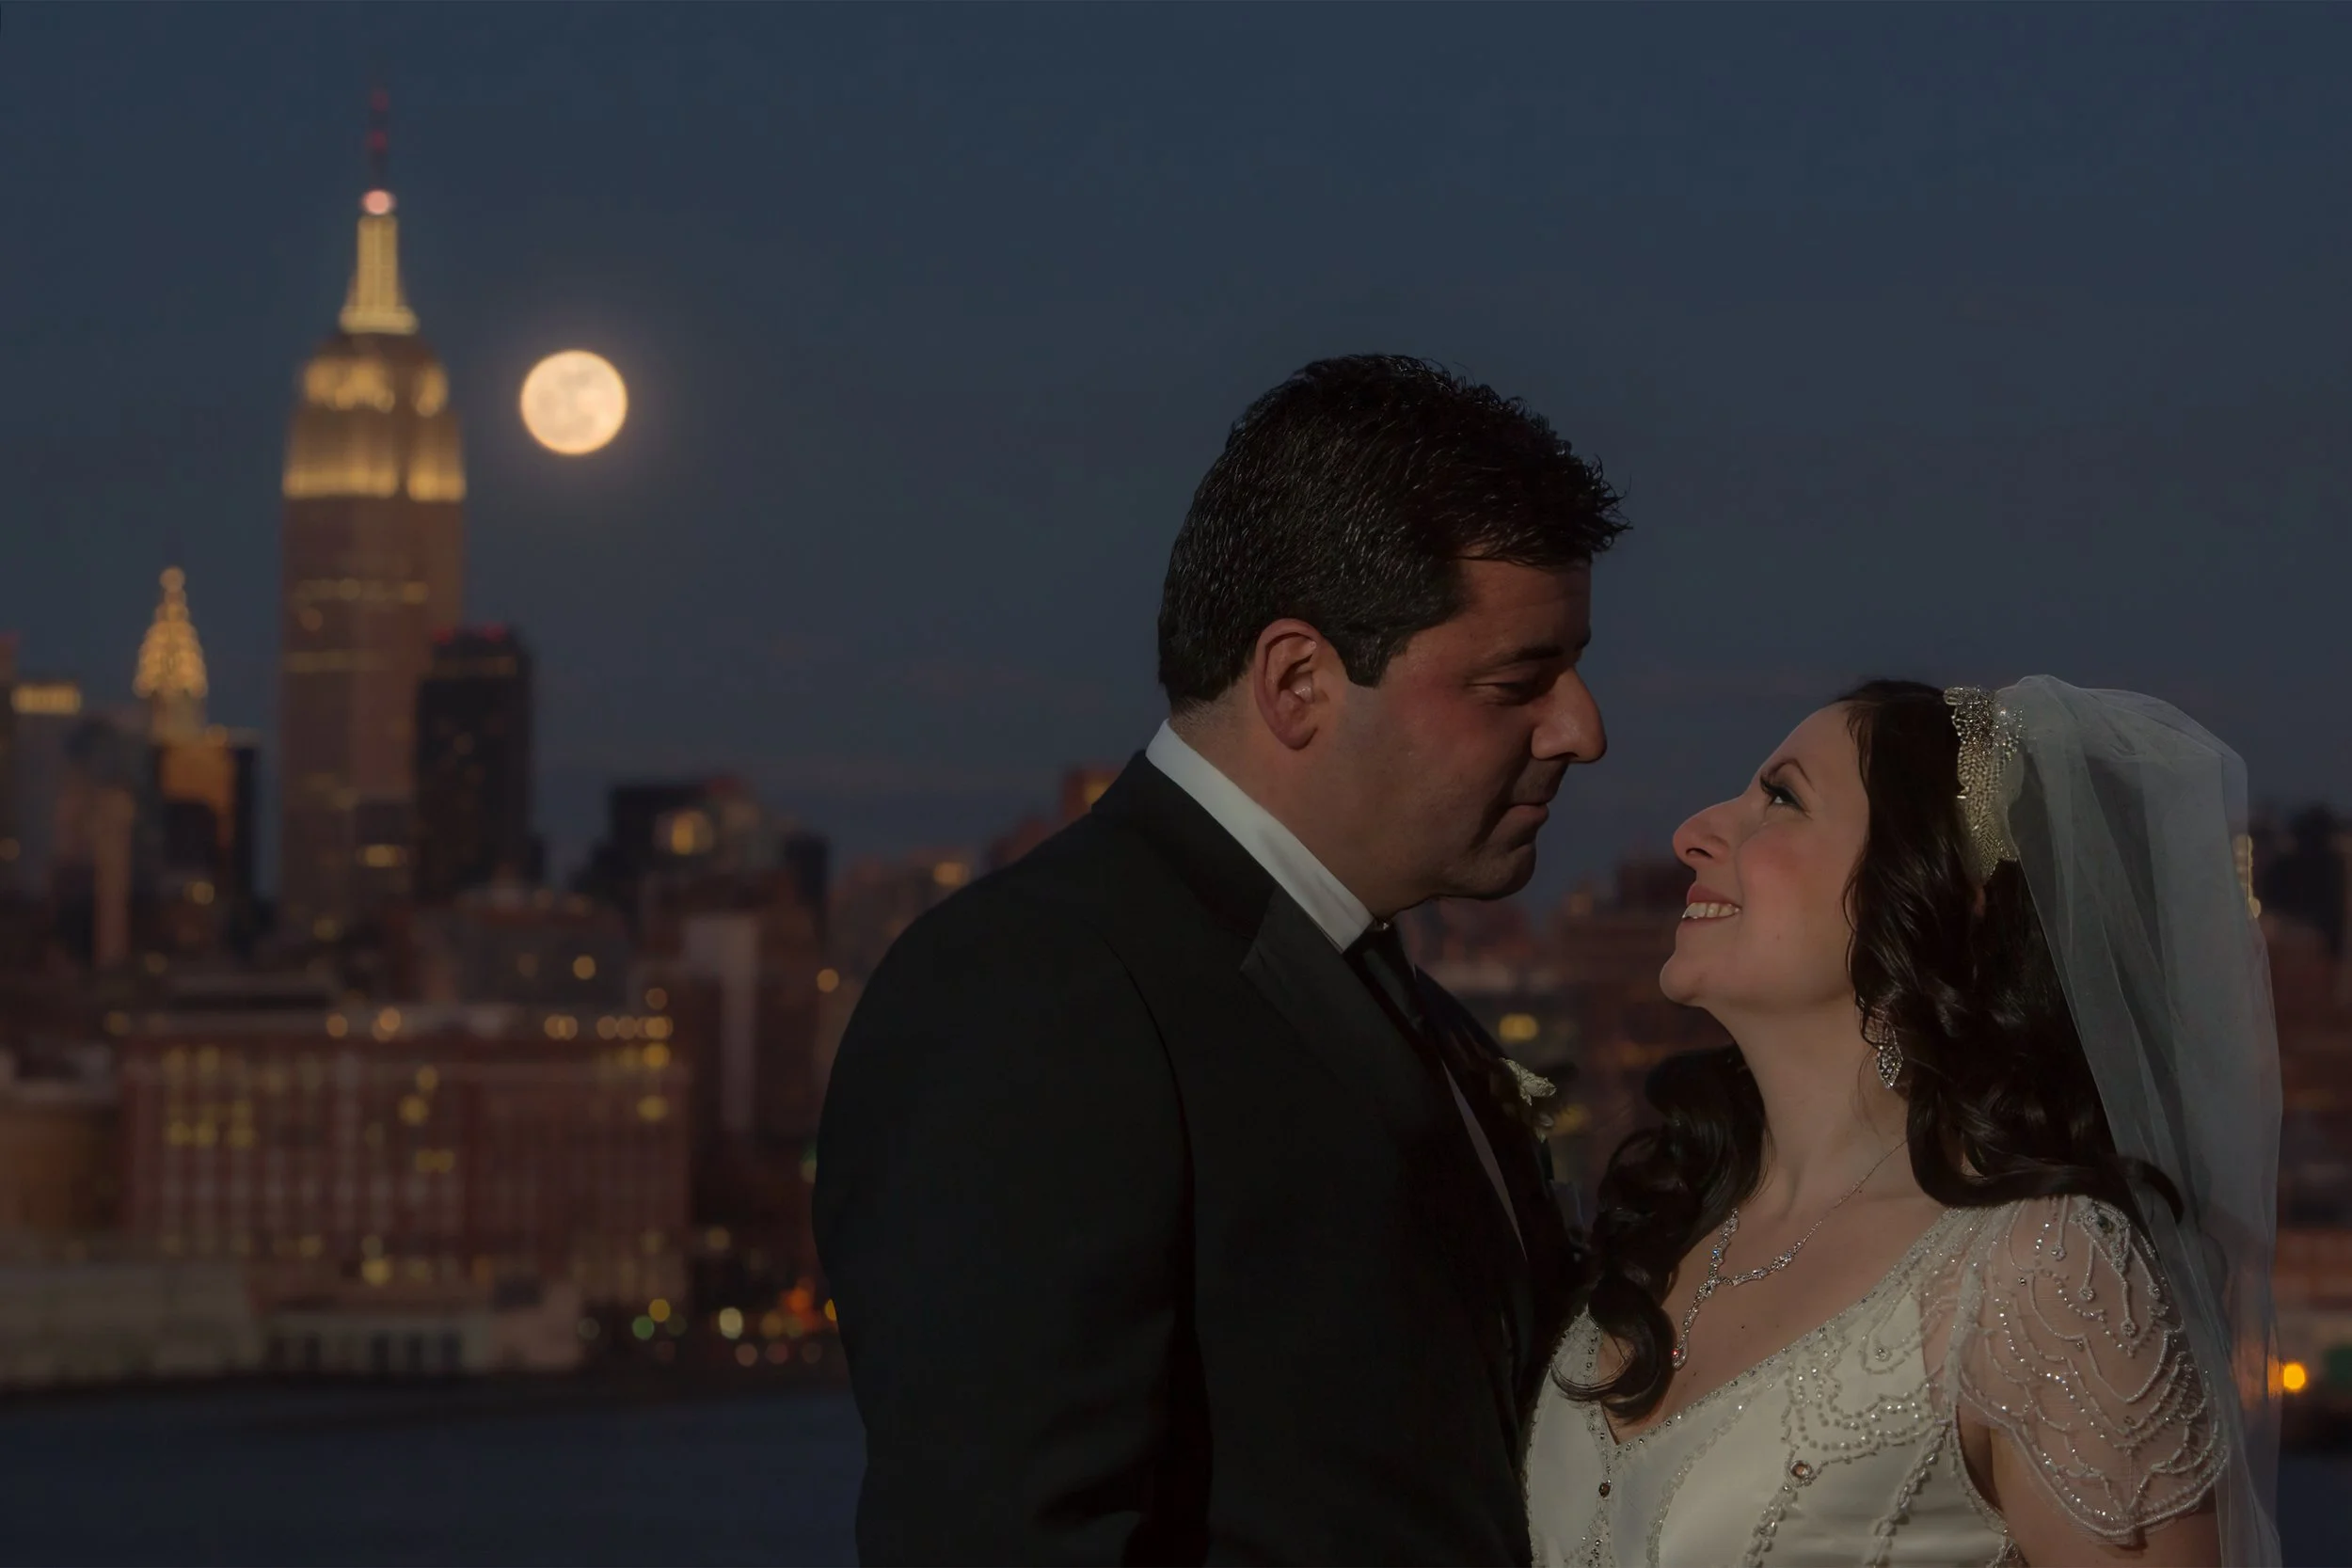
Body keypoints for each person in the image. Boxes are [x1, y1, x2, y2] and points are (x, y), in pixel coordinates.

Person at [816, 355, 1624, 1563]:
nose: (1582, 728)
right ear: (1297, 680)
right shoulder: (1038, 986)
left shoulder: (1419, 1008)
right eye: (1519, 681)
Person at [1524, 678, 2281, 1567]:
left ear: (1934, 893)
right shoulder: (1663, 1226)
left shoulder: (2042, 1270)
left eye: (1781, 797)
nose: (1696, 831)